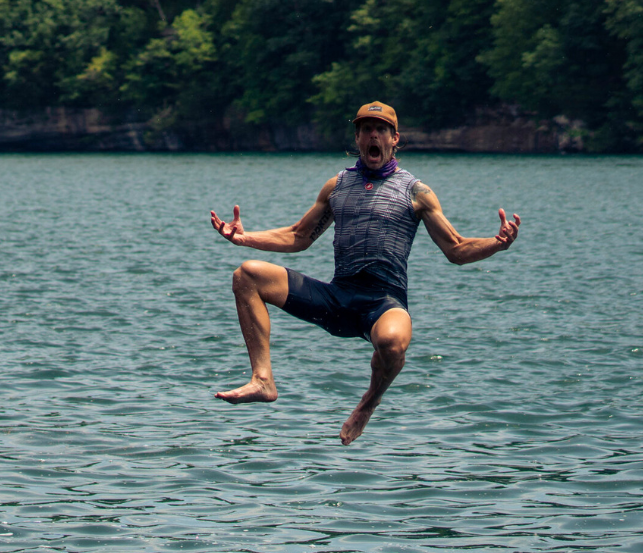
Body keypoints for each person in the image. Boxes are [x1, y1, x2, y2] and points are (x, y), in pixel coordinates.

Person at [207, 101, 521, 445]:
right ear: (357, 138)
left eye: (381, 129)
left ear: (394, 138)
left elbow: (456, 248)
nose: (373, 135)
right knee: (246, 276)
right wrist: (244, 238)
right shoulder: (337, 186)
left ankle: (369, 401)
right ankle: (263, 379)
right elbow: (299, 236)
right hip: (336, 298)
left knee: (391, 343)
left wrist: (497, 243)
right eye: (366, 129)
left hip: (383, 304)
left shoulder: (416, 193)